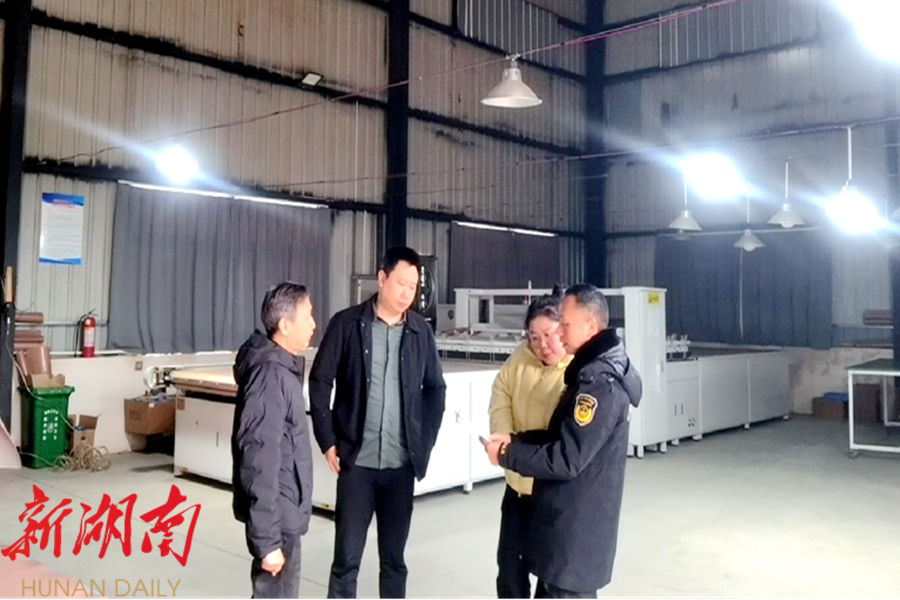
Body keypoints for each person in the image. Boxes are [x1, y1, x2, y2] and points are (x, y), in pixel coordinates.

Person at [486, 284, 642, 600]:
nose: (558, 333)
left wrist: (507, 455)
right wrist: (513, 441)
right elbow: (560, 435)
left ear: (590, 326)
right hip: (563, 525)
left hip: (575, 533)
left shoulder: (599, 384)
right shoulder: (588, 373)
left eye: (564, 325)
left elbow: (567, 458)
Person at [309, 246, 447, 600]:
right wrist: (327, 439)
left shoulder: (420, 332)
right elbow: (320, 380)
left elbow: (435, 390)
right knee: (346, 560)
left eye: (413, 286)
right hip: (357, 464)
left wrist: (424, 442)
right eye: (401, 283)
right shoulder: (347, 324)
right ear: (382, 278)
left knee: (394, 561)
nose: (407, 293)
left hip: (401, 468)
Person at [231, 282, 317, 600]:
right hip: (277, 517)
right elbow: (259, 458)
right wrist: (267, 541)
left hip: (285, 511)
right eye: (307, 317)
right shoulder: (270, 375)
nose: (313, 324)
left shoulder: (282, 368)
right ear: (284, 325)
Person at [488, 287, 571, 600]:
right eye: (534, 337)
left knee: (550, 578)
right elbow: (501, 394)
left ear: (563, 330)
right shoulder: (520, 357)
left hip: (552, 493)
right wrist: (503, 435)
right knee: (510, 570)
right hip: (517, 487)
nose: (541, 345)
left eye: (548, 335)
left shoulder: (576, 370)